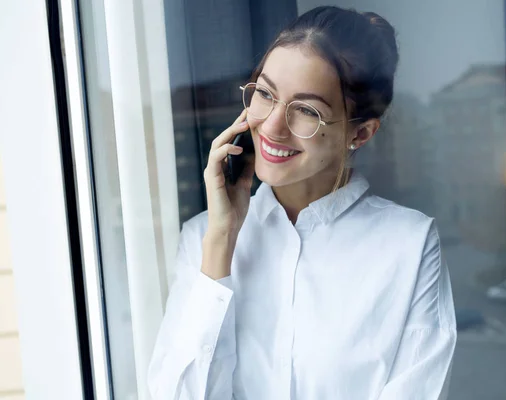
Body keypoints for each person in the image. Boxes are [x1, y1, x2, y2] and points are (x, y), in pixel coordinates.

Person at [148, 6, 456, 400]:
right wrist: (221, 242)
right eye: (264, 94)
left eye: (307, 110)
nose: (272, 126)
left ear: (360, 133)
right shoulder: (202, 240)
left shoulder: (409, 245)